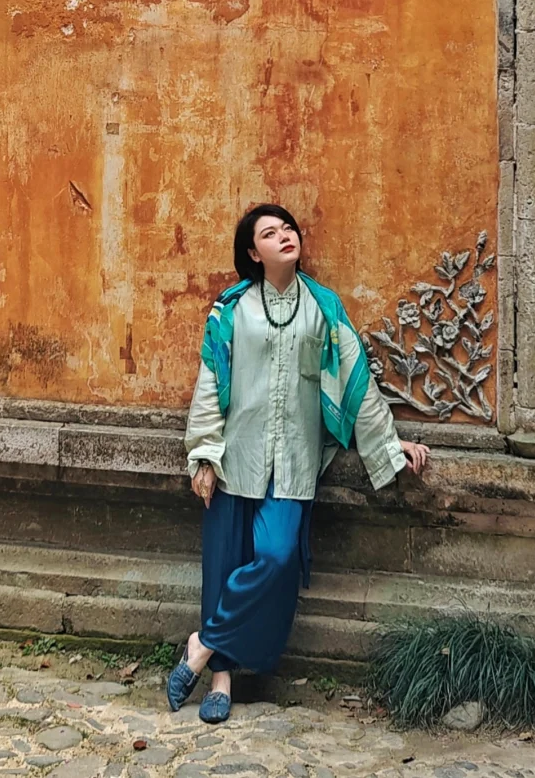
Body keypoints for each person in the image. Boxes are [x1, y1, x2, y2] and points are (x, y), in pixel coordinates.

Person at [166, 203, 430, 723]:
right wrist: (204, 454)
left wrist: (388, 443)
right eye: (270, 233)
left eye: (288, 228)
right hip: (235, 457)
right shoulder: (230, 310)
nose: (284, 236)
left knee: (278, 556)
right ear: (252, 252)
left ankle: (202, 645)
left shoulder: (323, 308)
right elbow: (211, 381)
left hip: (293, 462)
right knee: (224, 565)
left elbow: (356, 383)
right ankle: (220, 680)